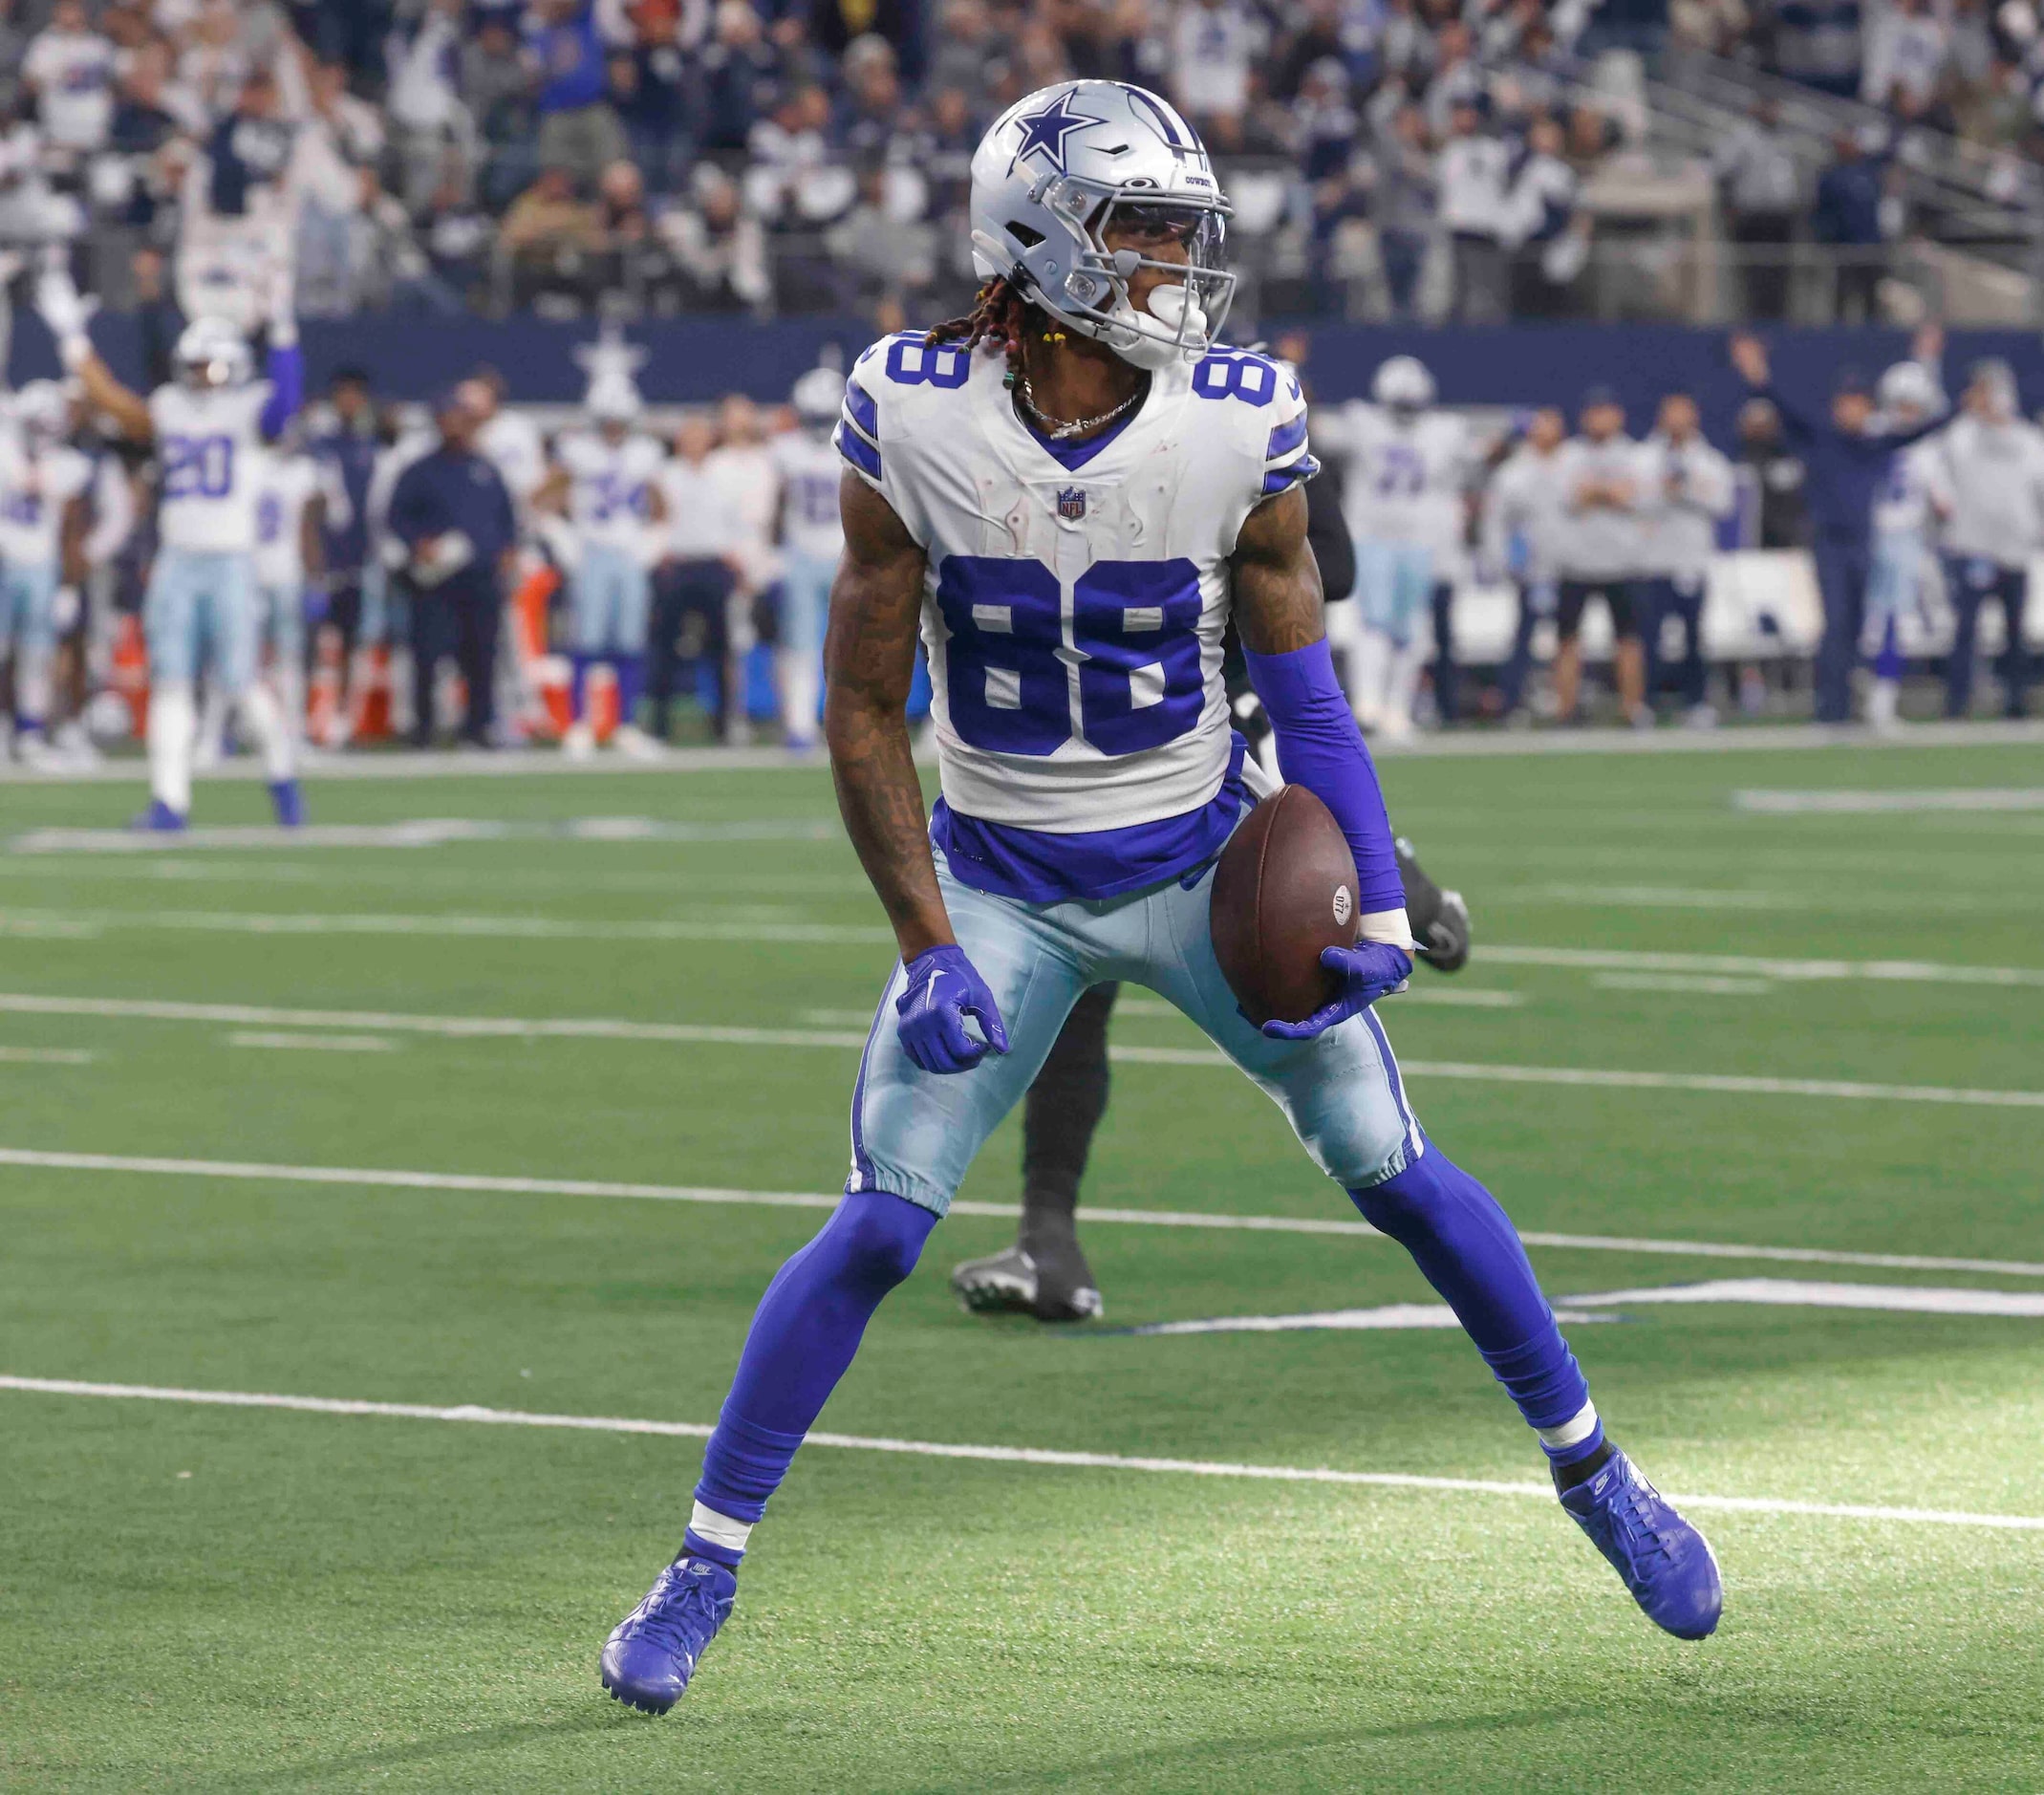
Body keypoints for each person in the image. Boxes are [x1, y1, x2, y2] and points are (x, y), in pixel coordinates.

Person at [597, 78, 1722, 1719]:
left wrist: (1380, 906)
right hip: (996, 876)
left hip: (1203, 859)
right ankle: (700, 1560)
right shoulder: (907, 408)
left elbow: (1310, 698)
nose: (1173, 268)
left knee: (1394, 1171)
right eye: (1140, 231)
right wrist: (919, 945)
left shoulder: (1237, 414)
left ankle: (1595, 1470)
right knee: (877, 1226)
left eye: (1180, 234)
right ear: (1038, 237)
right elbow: (859, 706)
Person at [949, 837, 1473, 1321]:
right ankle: (1046, 1240)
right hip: (1116, 824)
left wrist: (1411, 901)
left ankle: (1047, 1239)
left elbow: (1300, 754)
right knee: (1075, 1002)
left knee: (1301, 848)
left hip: (1195, 822)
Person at [37, 260, 304, 829]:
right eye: (193, 364)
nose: (197, 373)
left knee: (240, 684)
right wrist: (72, 339)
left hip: (231, 561)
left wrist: (283, 327)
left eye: (206, 364)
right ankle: (169, 800)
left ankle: (281, 776)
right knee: (172, 682)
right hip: (179, 560)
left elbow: (286, 402)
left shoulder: (251, 408)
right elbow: (112, 402)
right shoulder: (171, 406)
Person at [1731, 326, 1948, 724]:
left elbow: (1922, 427)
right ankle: (1830, 708)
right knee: (1835, 624)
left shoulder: (1873, 444)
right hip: (1829, 542)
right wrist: (1756, 373)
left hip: (1864, 543)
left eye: (1859, 403)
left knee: (1857, 627)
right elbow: (1778, 403)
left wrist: (1947, 389)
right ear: (1836, 407)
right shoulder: (1821, 439)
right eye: (1846, 403)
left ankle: (1848, 703)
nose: (1852, 411)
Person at [1319, 356, 1472, 738]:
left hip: (1417, 541)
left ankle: (1396, 708)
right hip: (1374, 537)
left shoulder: (1443, 430)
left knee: (1409, 630)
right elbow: (1316, 431)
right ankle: (1369, 704)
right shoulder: (1363, 422)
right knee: (1375, 624)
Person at [386, 388, 519, 747]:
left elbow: (506, 518)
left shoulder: (485, 468)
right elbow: (396, 518)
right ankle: (424, 729)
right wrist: (420, 544)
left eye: (460, 418)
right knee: (427, 656)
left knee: (481, 656)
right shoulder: (420, 471)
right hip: (436, 581)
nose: (454, 425)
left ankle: (478, 728)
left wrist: (508, 550)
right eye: (447, 418)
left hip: (479, 576)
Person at [543, 384, 667, 756]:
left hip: (628, 554)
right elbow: (543, 497)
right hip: (592, 552)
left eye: (619, 421)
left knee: (629, 642)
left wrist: (651, 543)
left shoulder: (645, 453)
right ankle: (579, 725)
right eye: (607, 422)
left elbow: (661, 507)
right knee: (586, 642)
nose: (614, 428)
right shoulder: (578, 452)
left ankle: (625, 725)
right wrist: (562, 537)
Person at [1931, 358, 2044, 719]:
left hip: (2014, 551)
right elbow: (1943, 460)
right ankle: (1957, 702)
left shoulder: (2029, 440)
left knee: (2015, 632)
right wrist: (1972, 412)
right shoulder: (1963, 435)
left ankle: (2015, 703)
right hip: (1972, 548)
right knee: (1966, 630)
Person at [0, 379, 92, 768]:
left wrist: (68, 587)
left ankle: (31, 731)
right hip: (4, 560)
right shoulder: (5, 447)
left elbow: (70, 527)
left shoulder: (69, 463)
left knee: (36, 656)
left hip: (40, 566)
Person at [1635, 392, 1736, 726]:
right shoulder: (1643, 457)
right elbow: (1630, 497)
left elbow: (1723, 503)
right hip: (1652, 560)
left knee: (1693, 636)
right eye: (1671, 413)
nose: (1677, 420)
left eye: (1683, 413)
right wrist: (1662, 491)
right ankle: (1645, 703)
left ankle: (1696, 702)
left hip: (1692, 560)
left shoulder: (1709, 460)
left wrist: (1687, 490)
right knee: (1650, 637)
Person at [1551, 388, 1646, 726]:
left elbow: (1633, 496)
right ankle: (1566, 711)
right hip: (1576, 562)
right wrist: (1609, 492)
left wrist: (1596, 491)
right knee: (1567, 640)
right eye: (1594, 411)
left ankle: (1631, 710)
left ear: (1617, 415)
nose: (1599, 418)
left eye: (1604, 411)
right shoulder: (1568, 454)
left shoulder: (1635, 454)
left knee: (1628, 639)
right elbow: (1571, 496)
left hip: (1620, 562)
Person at [1864, 359, 1948, 729]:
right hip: (1866, 536)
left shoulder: (1927, 447)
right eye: (1902, 403)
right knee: (1862, 620)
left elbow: (1943, 497)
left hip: (1906, 538)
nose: (1907, 412)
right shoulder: (1871, 431)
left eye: (1914, 405)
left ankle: (1883, 698)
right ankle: (1859, 689)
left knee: (1895, 621)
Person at [650, 414, 742, 743]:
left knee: (720, 648)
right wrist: (657, 550)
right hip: (678, 565)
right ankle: (660, 725)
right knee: (666, 646)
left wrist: (737, 556)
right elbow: (656, 517)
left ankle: (724, 724)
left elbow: (735, 520)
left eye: (699, 436)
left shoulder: (725, 474)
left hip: (714, 565)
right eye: (687, 437)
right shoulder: (666, 475)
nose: (693, 444)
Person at [771, 367, 848, 752]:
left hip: (847, 556)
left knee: (849, 644)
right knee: (800, 645)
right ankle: (799, 725)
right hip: (803, 553)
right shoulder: (785, 450)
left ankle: (845, 724)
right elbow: (776, 503)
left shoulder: (854, 442)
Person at [1482, 405, 1571, 722]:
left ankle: (1566, 702)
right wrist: (1502, 561)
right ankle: (1513, 701)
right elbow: (1496, 523)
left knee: (1569, 637)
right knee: (1525, 636)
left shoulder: (1572, 464)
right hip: (1531, 569)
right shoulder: (1513, 473)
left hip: (1572, 568)